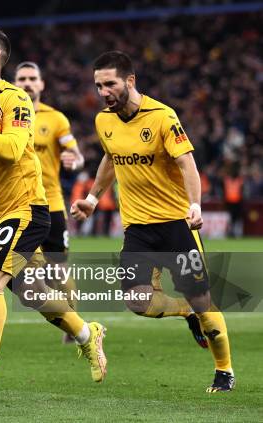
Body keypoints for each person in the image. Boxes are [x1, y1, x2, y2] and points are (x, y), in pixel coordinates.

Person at [0, 26, 107, 404]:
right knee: (31, 292)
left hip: (27, 206)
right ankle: (86, 333)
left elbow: (12, 149)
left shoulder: (16, 98)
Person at [71, 50, 234, 392]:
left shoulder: (162, 116)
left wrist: (195, 204)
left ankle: (224, 370)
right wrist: (91, 198)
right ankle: (184, 312)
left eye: (110, 84)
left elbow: (187, 163)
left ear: (130, 81)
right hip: (137, 228)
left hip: (177, 225)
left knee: (204, 301)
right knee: (137, 302)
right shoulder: (104, 120)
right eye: (99, 85)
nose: (103, 92)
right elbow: (110, 158)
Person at [14, 61, 84, 342]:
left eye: (33, 78)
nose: (28, 83)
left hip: (51, 204)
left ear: (41, 84)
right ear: (13, 83)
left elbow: (76, 154)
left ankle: (73, 321)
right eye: (22, 79)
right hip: (17, 205)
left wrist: (74, 161)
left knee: (57, 268)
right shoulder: (5, 115)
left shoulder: (56, 119)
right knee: (19, 270)